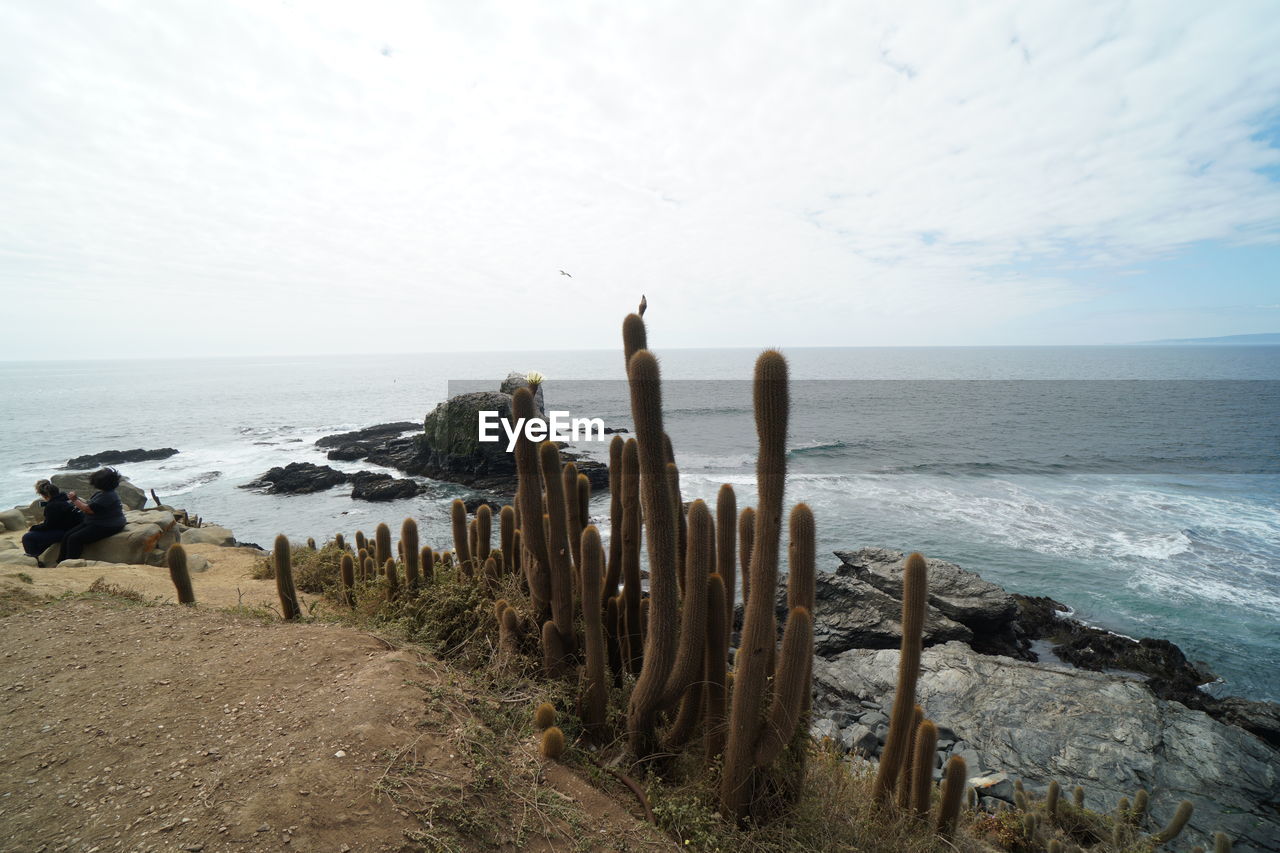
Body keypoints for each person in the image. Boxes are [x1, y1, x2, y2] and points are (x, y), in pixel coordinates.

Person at [58, 468, 128, 563]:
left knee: (75, 539)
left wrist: (74, 500)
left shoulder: (107, 496)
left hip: (108, 525)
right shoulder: (103, 493)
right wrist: (77, 499)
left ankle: (71, 563)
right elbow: (90, 505)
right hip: (97, 521)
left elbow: (88, 509)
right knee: (67, 535)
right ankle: (60, 562)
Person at [22, 480, 82, 563]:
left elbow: (49, 526)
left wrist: (34, 527)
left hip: (64, 531)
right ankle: (40, 555)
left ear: (44, 495)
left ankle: (35, 561)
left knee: (28, 537)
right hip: (75, 527)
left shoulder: (52, 506)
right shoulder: (66, 498)